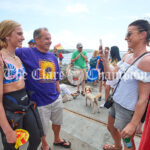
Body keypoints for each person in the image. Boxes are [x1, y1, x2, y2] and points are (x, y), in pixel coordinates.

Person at [16, 27, 71, 150]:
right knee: (42, 128)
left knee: (58, 122)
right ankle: (45, 145)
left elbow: (57, 76)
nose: (50, 41)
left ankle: (57, 139)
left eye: (50, 38)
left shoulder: (52, 56)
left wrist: (58, 92)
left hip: (55, 98)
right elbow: (6, 51)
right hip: (39, 103)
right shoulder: (25, 52)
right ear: (37, 39)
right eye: (46, 38)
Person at [101, 19, 150, 150]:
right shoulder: (127, 56)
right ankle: (117, 147)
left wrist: (133, 124)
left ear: (142, 35)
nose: (125, 38)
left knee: (127, 139)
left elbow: (143, 98)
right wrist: (105, 61)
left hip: (127, 109)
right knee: (110, 127)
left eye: (129, 34)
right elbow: (111, 76)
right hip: (115, 101)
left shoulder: (146, 61)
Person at [0, 20, 44, 150]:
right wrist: (7, 130)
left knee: (36, 139)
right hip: (10, 109)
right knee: (12, 146)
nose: (23, 38)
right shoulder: (1, 59)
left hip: (25, 104)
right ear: (7, 35)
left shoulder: (17, 57)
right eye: (19, 34)